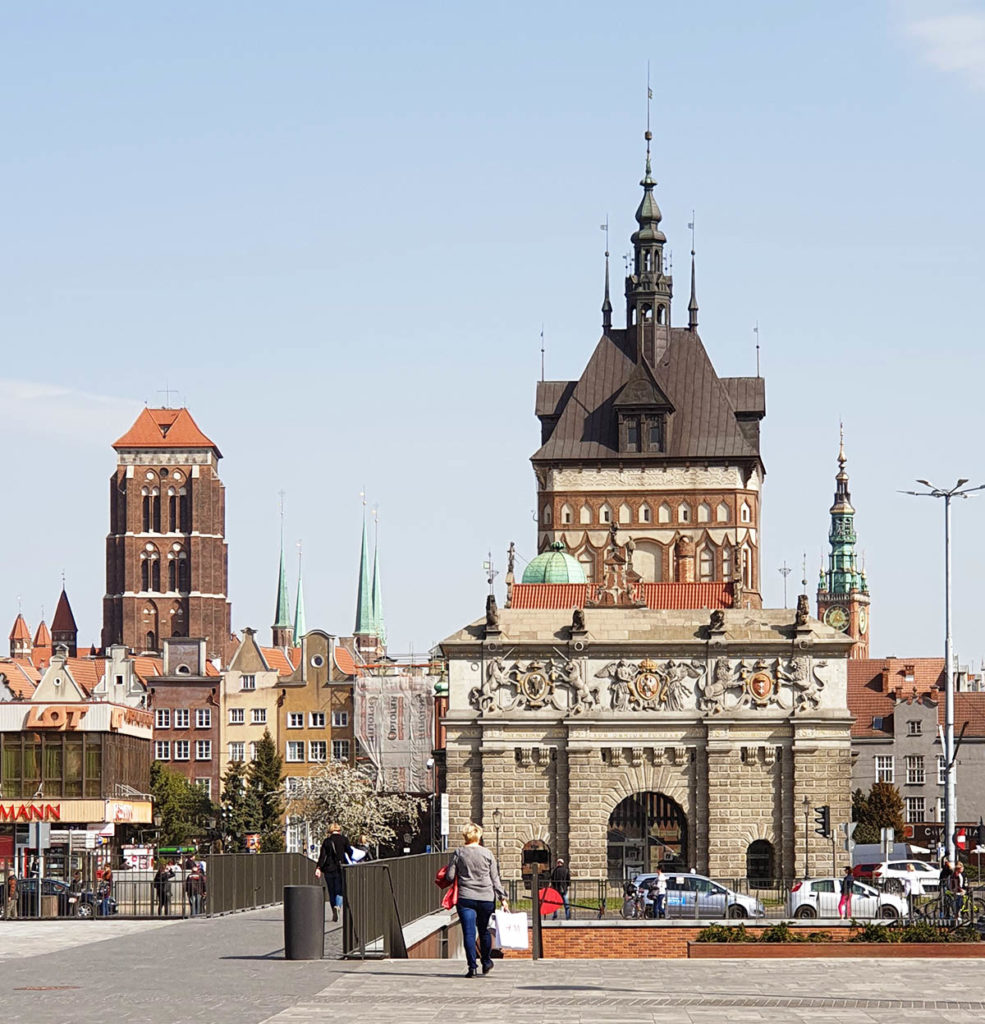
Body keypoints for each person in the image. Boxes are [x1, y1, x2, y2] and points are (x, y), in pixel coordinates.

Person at [446, 823, 508, 979]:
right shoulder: (487, 854)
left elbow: (450, 877)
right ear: (478, 836)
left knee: (469, 932)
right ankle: (486, 961)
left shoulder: (459, 852)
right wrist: (503, 899)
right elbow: (495, 879)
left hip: (466, 897)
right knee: (484, 930)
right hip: (486, 898)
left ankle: (472, 967)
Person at [314, 823, 352, 923]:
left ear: (330, 831)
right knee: (339, 890)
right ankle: (338, 907)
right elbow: (350, 852)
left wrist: (318, 868)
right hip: (340, 868)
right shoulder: (344, 840)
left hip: (328, 869)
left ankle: (333, 910)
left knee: (331, 891)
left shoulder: (327, 841)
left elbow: (322, 856)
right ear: (339, 830)